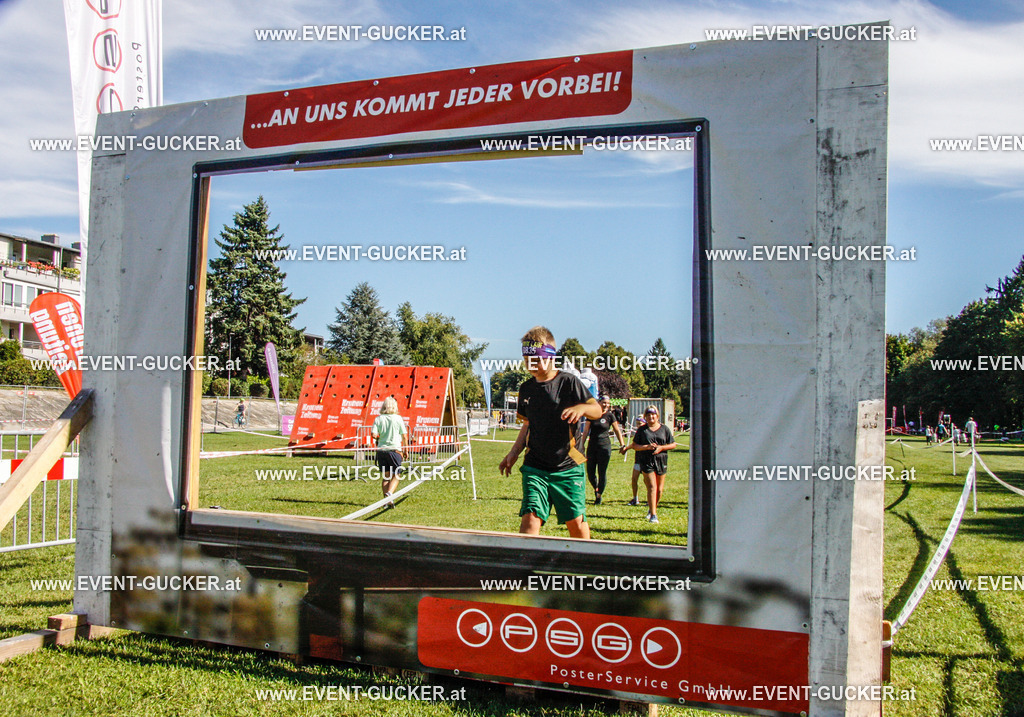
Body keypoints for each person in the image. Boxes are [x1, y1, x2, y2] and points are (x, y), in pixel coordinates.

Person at [499, 326, 602, 539]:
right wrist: (514, 452)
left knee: (576, 523)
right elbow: (526, 425)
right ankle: (527, 570)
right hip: (535, 467)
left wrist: (581, 408)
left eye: (536, 359)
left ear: (551, 357)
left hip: (568, 466)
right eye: (527, 359)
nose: (531, 364)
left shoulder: (568, 382)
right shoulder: (526, 389)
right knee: (530, 519)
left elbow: (597, 410)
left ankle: (583, 566)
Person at [621, 405, 676, 524]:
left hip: (661, 460)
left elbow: (673, 444)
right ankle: (654, 515)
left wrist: (662, 447)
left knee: (659, 490)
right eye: (649, 415)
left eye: (653, 414)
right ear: (645, 416)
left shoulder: (664, 429)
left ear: (657, 416)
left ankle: (652, 508)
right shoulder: (642, 430)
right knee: (652, 487)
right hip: (646, 460)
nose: (651, 417)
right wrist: (647, 447)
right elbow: (635, 445)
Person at [580, 395, 626, 505]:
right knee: (590, 472)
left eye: (608, 403)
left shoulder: (610, 416)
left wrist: (622, 444)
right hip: (592, 446)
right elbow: (586, 431)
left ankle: (599, 496)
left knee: (602, 472)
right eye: (604, 402)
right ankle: (596, 488)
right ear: (599, 403)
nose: (606, 405)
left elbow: (616, 430)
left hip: (604, 447)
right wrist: (581, 444)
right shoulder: (591, 415)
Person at [372, 396, 407, 508]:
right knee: (397, 475)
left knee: (386, 476)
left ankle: (386, 501)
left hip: (382, 450)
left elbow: (373, 434)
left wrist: (379, 438)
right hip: (394, 450)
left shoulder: (378, 419)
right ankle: (390, 494)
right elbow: (404, 436)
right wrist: (406, 449)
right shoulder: (398, 418)